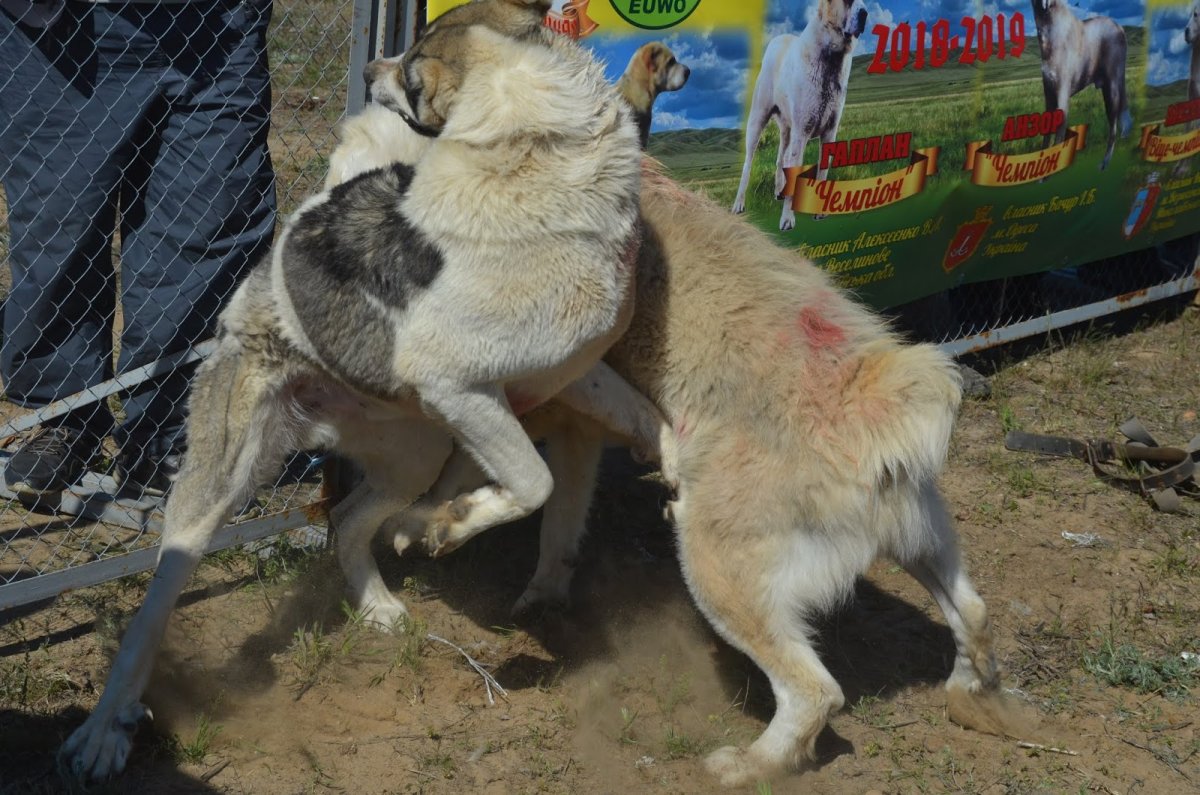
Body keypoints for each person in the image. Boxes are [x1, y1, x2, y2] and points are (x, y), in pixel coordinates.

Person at [0, 0, 277, 498]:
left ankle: (166, 432)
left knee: (205, 224)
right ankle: (65, 415)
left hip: (216, 25)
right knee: (59, 227)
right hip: (64, 30)